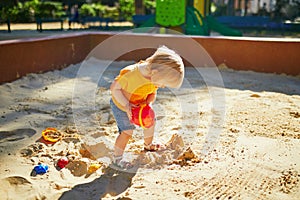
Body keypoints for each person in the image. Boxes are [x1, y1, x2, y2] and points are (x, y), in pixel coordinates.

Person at [110, 45, 185, 169]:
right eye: (163, 83)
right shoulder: (131, 74)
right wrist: (126, 104)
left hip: (140, 104)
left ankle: (148, 145)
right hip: (121, 105)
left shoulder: (154, 77)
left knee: (150, 122)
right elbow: (114, 88)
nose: (163, 86)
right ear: (155, 73)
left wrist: (149, 103)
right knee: (127, 132)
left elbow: (152, 93)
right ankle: (117, 158)